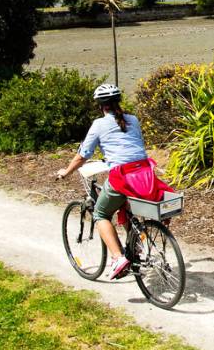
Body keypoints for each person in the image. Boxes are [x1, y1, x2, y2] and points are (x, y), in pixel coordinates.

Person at [54, 83, 169, 280]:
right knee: (125, 207)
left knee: (100, 213)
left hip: (123, 176)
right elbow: (132, 145)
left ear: (101, 105)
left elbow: (83, 155)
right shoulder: (133, 119)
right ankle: (136, 247)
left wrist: (66, 172)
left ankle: (118, 258)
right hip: (144, 173)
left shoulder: (99, 124)